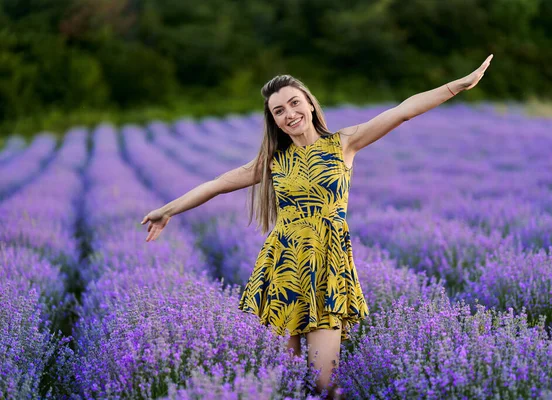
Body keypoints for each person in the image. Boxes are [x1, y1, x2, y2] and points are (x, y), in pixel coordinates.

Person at [141, 54, 493, 399]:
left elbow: (401, 111)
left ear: (309, 104)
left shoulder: (343, 143)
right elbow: (216, 183)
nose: (289, 114)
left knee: (325, 384)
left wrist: (456, 86)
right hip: (281, 270)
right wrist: (167, 210)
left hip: (327, 270)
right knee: (291, 382)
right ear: (274, 121)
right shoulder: (273, 161)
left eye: (294, 104)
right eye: (279, 111)